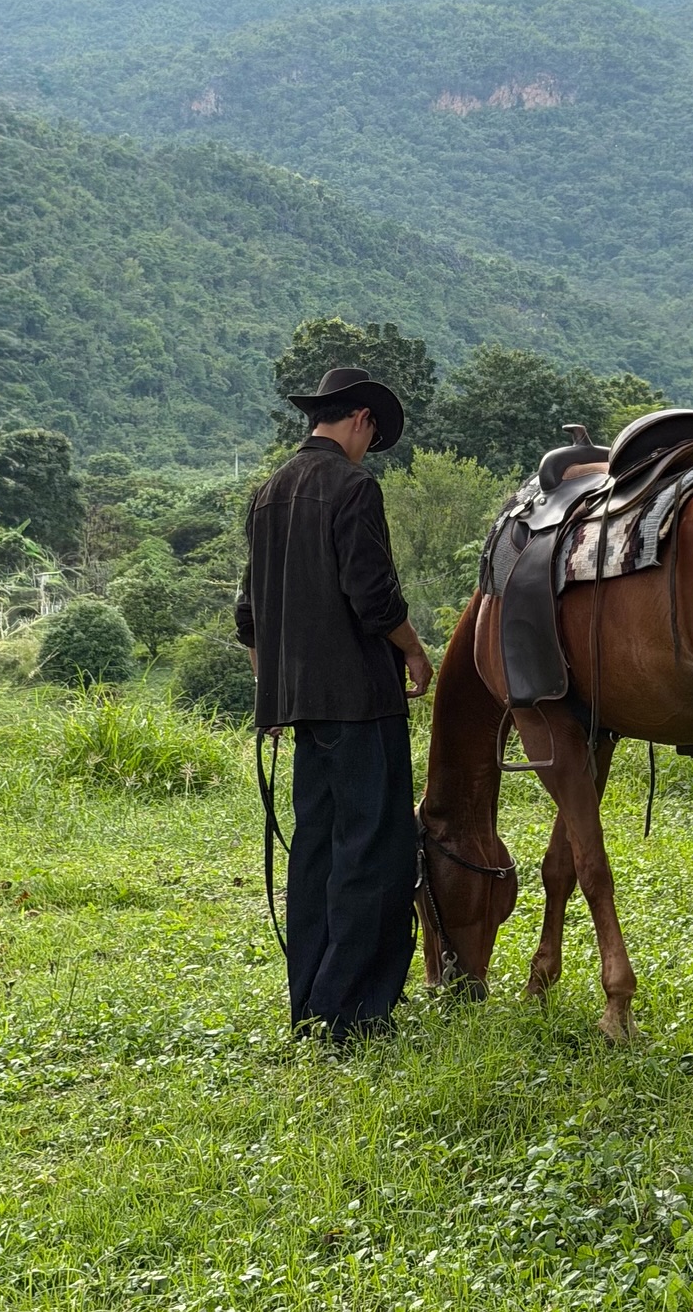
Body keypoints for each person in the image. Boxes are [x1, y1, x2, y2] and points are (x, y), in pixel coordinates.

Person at [235, 365, 433, 1042]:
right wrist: (413, 650)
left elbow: (248, 615)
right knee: (375, 851)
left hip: (300, 708)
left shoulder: (268, 493)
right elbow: (374, 598)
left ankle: (310, 1007)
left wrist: (276, 696)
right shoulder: (352, 487)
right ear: (362, 421)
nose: (366, 449)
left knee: (314, 853)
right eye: (370, 436)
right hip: (361, 701)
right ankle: (352, 1014)